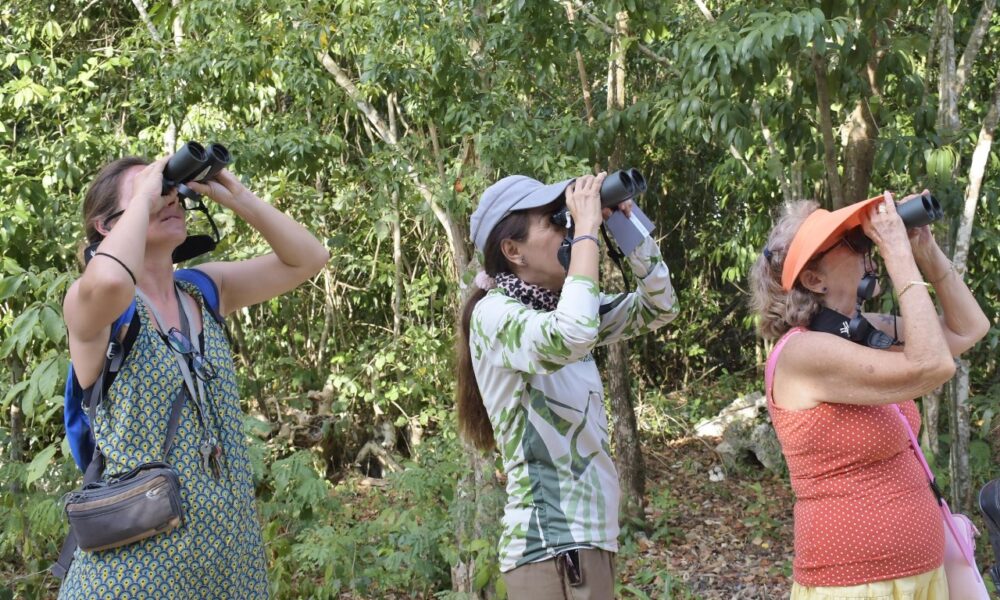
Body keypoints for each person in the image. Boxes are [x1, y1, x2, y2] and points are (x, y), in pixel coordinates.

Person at [59, 154, 329, 597]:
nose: (169, 199)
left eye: (171, 191)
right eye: (151, 193)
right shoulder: (99, 307)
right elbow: (108, 280)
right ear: (107, 227)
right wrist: (147, 194)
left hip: (228, 563)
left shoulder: (202, 290)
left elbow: (309, 259)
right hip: (135, 575)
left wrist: (237, 196)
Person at [749, 192, 990, 599]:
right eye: (852, 241)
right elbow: (932, 365)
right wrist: (896, 252)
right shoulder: (803, 353)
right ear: (814, 279)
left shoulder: (863, 331)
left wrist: (925, 252)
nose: (866, 245)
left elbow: (969, 329)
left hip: (921, 573)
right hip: (855, 582)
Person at [455, 172, 678, 599]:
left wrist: (623, 227)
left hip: (584, 541)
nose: (569, 229)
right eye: (556, 222)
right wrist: (588, 231)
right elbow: (572, 333)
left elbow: (659, 307)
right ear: (512, 250)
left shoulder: (564, 308)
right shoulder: (494, 315)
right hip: (552, 544)